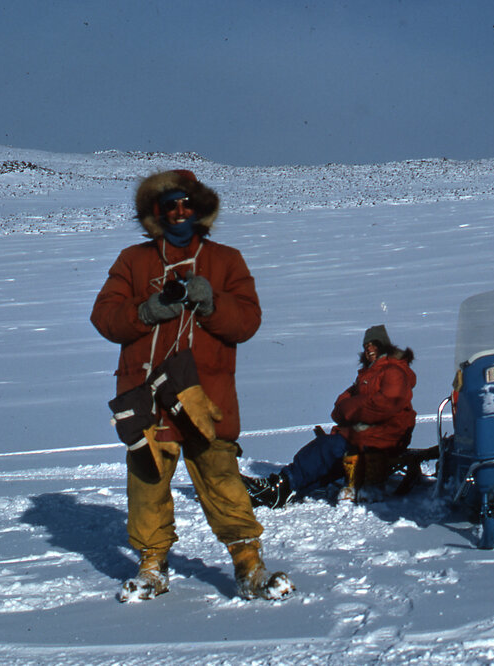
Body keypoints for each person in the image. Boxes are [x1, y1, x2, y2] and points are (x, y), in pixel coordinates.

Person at [91, 169, 292, 602]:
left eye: (187, 204)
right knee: (147, 479)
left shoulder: (226, 261)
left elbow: (247, 322)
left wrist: (212, 303)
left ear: (200, 209)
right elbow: (104, 317)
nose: (180, 212)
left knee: (221, 476)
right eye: (170, 205)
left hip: (205, 395)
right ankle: (151, 565)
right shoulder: (133, 260)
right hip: (145, 392)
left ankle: (247, 563)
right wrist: (145, 311)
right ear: (154, 213)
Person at [242, 325, 416, 508]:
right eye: (366, 346)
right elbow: (338, 407)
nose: (369, 349)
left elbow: (386, 404)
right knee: (330, 455)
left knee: (328, 447)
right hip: (369, 433)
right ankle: (288, 488)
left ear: (385, 346)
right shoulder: (368, 375)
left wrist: (351, 409)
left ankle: (282, 486)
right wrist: (354, 409)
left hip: (387, 434)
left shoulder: (393, 371)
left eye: (374, 344)